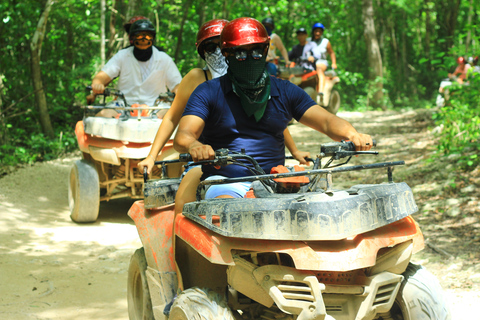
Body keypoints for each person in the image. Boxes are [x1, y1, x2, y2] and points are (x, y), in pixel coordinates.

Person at [173, 17, 372, 203]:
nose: (250, 59)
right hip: (226, 183)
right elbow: (184, 135)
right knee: (228, 215)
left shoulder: (284, 90)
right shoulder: (209, 91)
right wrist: (194, 146)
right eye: (241, 53)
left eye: (257, 51)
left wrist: (352, 134)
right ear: (227, 54)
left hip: (279, 183)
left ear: (266, 50)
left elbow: (327, 121)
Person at [137, 19, 309, 212]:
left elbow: (271, 119)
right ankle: (179, 241)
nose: (217, 52)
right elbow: (172, 118)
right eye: (211, 47)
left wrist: (294, 151)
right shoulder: (197, 79)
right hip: (207, 159)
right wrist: (152, 156)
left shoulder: (254, 80)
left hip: (256, 166)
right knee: (183, 206)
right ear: (203, 52)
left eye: (221, 45)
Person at [90, 18, 182, 118]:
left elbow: (177, 84)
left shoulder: (164, 59)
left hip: (155, 107)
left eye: (147, 36)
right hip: (124, 106)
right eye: (139, 36)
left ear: (153, 38)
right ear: (132, 38)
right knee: (101, 117)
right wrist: (97, 84)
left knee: (171, 117)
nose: (143, 39)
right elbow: (102, 76)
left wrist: (178, 91)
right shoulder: (122, 55)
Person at [309, 22, 337, 102]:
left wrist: (334, 63)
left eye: (319, 31)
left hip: (321, 62)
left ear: (322, 32)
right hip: (309, 63)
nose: (317, 33)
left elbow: (331, 52)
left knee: (319, 67)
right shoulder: (309, 41)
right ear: (313, 31)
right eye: (316, 31)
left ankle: (320, 92)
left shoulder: (325, 42)